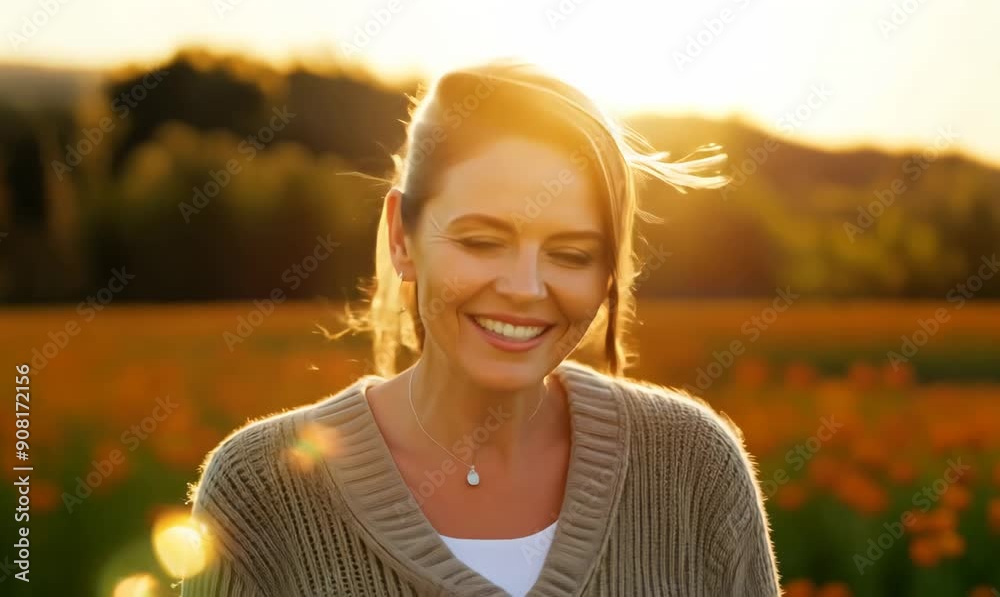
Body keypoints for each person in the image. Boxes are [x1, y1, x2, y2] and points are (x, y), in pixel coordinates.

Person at [180, 59, 781, 596]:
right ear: (402, 238)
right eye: (482, 242)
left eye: (570, 254)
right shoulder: (261, 490)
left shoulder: (693, 467)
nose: (525, 287)